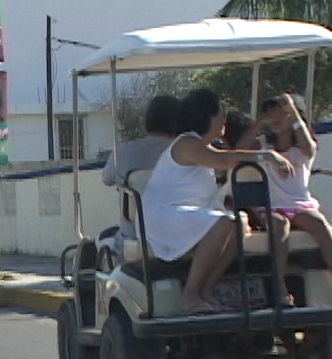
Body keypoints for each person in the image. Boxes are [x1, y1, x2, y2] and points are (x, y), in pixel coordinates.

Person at [143, 88, 294, 314]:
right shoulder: (187, 143)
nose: (224, 118)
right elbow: (222, 160)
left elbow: (222, 161)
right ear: (206, 117)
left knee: (239, 222)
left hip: (183, 214)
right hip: (163, 217)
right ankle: (189, 296)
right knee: (223, 222)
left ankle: (205, 290)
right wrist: (267, 156)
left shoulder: (202, 146)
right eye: (219, 113)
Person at [234, 94, 332, 305]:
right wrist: (260, 122)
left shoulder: (303, 148)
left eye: (281, 113)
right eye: (272, 114)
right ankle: (279, 287)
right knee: (280, 225)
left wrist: (293, 112)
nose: (276, 119)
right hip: (271, 205)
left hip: (300, 205)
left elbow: (309, 147)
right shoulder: (263, 145)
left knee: (322, 227)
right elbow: (238, 150)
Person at [102, 95, 181, 186]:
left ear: (147, 120)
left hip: (135, 200)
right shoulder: (185, 155)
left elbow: (106, 179)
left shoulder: (121, 153)